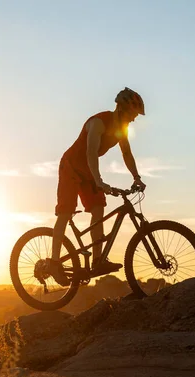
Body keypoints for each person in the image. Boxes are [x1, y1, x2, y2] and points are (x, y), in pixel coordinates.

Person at [46, 87, 147, 286]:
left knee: (98, 208)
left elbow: (126, 154)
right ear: (121, 109)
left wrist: (136, 177)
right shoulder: (98, 123)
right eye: (133, 114)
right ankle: (54, 263)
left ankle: (98, 261)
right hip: (71, 167)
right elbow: (91, 152)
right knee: (65, 214)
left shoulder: (121, 130)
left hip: (88, 173)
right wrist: (99, 180)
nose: (134, 119)